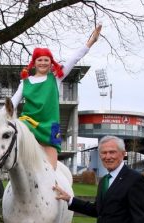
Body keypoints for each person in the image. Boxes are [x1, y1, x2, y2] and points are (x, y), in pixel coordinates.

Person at [12, 24, 102, 170]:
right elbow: (12, 103)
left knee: (51, 172)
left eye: (46, 60)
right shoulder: (25, 83)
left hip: (50, 128)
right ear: (34, 63)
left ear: (50, 63)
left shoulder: (55, 78)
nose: (43, 62)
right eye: (39, 60)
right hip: (28, 125)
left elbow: (74, 59)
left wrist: (91, 42)